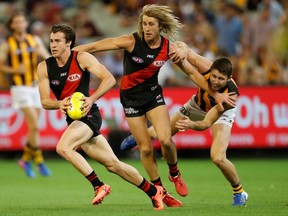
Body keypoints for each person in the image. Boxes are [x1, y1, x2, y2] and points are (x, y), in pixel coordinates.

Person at [73, 4, 236, 207]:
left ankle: (174, 173)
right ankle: (160, 190)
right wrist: (70, 52)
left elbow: (192, 73)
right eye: (144, 23)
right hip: (131, 100)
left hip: (153, 97)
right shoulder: (131, 41)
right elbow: (96, 46)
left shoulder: (167, 48)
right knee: (146, 149)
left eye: (151, 24)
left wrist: (216, 95)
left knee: (166, 140)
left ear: (160, 26)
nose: (147, 27)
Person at [37, 23, 164, 210]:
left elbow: (110, 79)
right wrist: (59, 103)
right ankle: (155, 192)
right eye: (51, 41)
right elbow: (44, 102)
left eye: (57, 41)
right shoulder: (44, 67)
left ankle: (98, 185)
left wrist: (91, 98)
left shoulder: (81, 58)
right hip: (73, 120)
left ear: (69, 43)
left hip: (89, 115)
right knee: (114, 165)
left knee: (63, 148)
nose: (53, 45)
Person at [121, 53, 249, 206]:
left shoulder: (230, 97)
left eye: (221, 79)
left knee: (218, 157)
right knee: (163, 134)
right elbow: (189, 55)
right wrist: (181, 47)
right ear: (211, 70)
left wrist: (191, 124)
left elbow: (206, 123)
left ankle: (239, 192)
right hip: (196, 105)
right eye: (214, 76)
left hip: (219, 113)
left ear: (229, 78)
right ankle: (140, 136)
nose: (215, 81)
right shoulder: (206, 66)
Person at [0, 12, 51, 178]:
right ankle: (39, 160)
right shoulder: (7, 44)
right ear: (12, 25)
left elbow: (46, 56)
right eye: (17, 21)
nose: (21, 23)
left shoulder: (34, 40)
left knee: (34, 127)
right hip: (19, 88)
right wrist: (15, 70)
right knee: (34, 125)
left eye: (22, 20)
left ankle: (25, 159)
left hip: (35, 86)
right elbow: (1, 66)